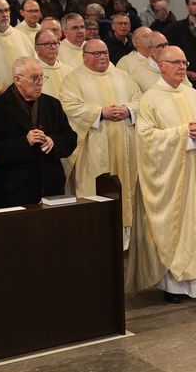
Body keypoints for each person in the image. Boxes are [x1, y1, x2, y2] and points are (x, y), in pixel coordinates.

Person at [133, 45, 196, 302]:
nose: (182, 67)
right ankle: (174, 286)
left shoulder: (194, 95)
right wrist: (183, 134)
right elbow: (145, 138)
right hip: (170, 178)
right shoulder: (150, 99)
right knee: (176, 226)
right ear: (161, 66)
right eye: (176, 63)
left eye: (184, 62)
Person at [59, 39, 140, 253]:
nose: (103, 57)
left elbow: (140, 100)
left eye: (105, 52)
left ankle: (125, 241)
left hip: (124, 144)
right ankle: (94, 239)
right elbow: (68, 106)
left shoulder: (122, 76)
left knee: (125, 190)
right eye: (96, 54)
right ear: (84, 57)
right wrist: (100, 112)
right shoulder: (73, 79)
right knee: (94, 190)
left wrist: (128, 110)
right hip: (93, 146)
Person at [0, 56, 77, 208]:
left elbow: (70, 138)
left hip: (51, 188)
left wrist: (53, 141)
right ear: (17, 79)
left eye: (42, 77)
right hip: (13, 192)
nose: (40, 83)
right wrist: (25, 142)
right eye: (34, 78)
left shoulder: (52, 104)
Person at [33, 27, 75, 101]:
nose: (53, 47)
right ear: (37, 49)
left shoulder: (69, 71)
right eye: (47, 44)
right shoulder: (32, 72)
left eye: (55, 43)